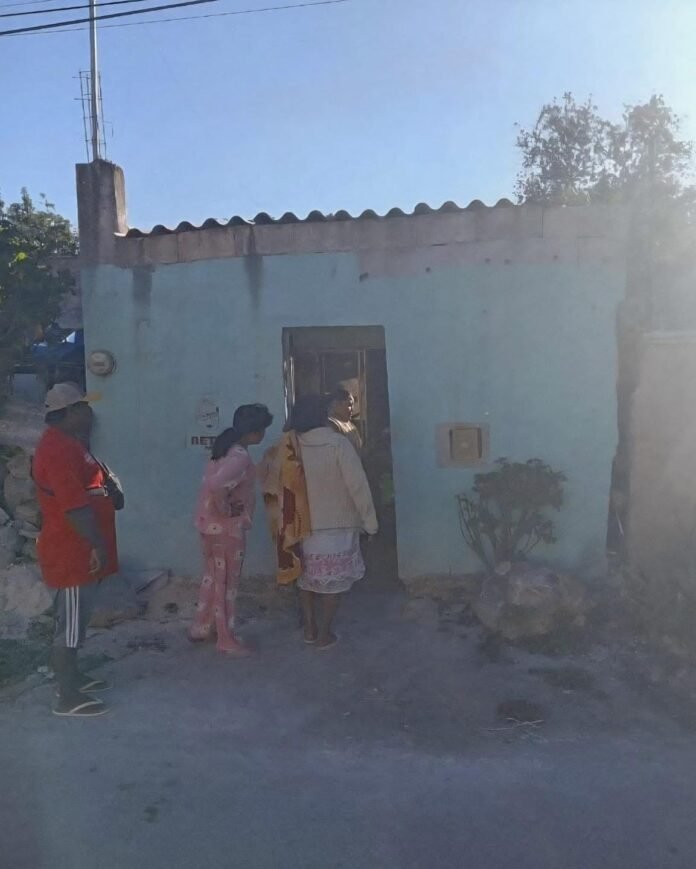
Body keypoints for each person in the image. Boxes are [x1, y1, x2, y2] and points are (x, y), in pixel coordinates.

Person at [32, 383, 120, 718]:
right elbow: (73, 506)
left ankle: (74, 679)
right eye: (83, 407)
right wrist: (96, 544)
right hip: (71, 550)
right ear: (68, 412)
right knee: (68, 628)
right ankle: (66, 696)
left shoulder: (71, 443)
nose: (89, 412)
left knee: (76, 622)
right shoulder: (57, 450)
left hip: (80, 547)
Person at [275, 394, 377, 649]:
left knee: (306, 579)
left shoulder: (290, 446)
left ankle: (309, 628)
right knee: (334, 583)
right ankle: (324, 633)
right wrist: (370, 523)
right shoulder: (338, 444)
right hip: (338, 525)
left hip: (303, 525)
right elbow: (358, 486)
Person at [189, 403, 273, 655]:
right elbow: (216, 486)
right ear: (254, 432)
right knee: (226, 584)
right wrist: (226, 510)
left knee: (213, 577)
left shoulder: (224, 448)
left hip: (208, 525)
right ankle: (225, 637)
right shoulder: (240, 457)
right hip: (226, 529)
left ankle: (202, 627)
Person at [327, 388, 363, 455]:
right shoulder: (331, 425)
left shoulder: (351, 426)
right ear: (336, 404)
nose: (352, 409)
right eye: (349, 405)